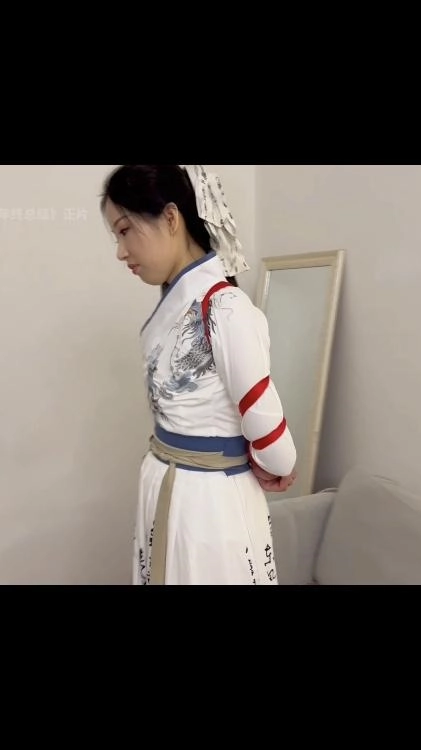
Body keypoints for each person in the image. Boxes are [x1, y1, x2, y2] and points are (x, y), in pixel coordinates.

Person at [100, 164, 297, 585]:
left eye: (125, 230)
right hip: (180, 488)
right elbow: (277, 455)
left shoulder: (226, 308)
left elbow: (276, 448)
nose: (121, 251)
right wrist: (276, 463)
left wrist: (276, 461)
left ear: (171, 217)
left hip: (207, 500)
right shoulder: (195, 304)